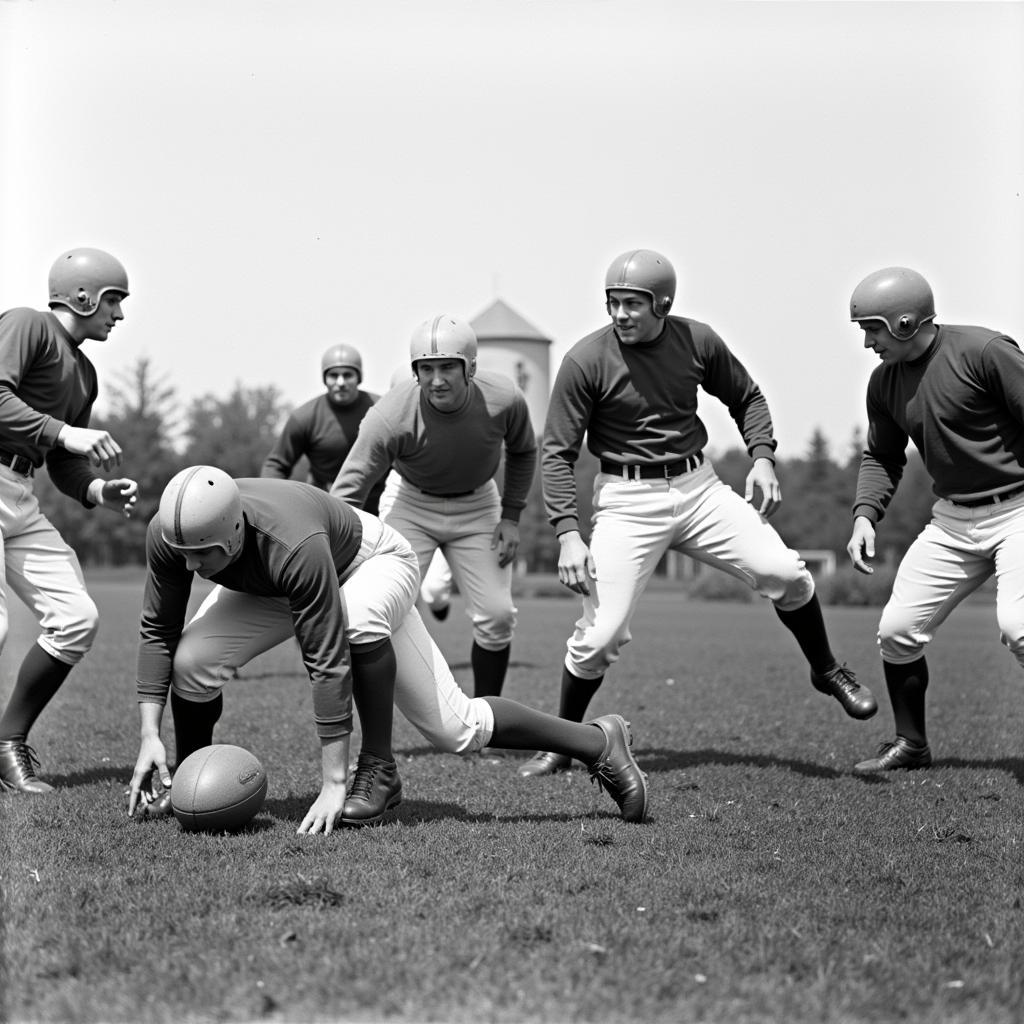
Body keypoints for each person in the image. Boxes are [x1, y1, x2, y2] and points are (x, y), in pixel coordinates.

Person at [126, 467, 648, 832]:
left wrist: (333, 781)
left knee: (455, 727)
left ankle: (594, 742)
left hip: (368, 562)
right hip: (272, 582)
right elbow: (158, 629)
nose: (192, 568)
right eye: (185, 556)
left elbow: (326, 662)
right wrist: (151, 735)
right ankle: (191, 779)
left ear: (234, 529)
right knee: (192, 660)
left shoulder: (293, 544)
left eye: (204, 556)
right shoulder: (173, 533)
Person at [520, 248, 875, 777]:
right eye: (613, 302)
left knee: (787, 574)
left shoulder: (698, 340)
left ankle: (826, 669)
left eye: (633, 304)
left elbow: (747, 397)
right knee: (600, 636)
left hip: (698, 486)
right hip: (626, 499)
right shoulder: (584, 359)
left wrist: (762, 459)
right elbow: (557, 452)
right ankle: (563, 743)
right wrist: (568, 534)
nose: (620, 314)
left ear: (663, 304)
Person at [846, 267, 1024, 771]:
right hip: (953, 519)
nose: (867, 343)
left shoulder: (985, 352)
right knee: (897, 632)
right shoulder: (883, 383)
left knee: (1019, 627)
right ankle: (911, 745)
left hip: (1019, 509)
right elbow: (882, 456)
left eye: (872, 329)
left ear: (905, 322)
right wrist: (865, 516)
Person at [331, 315, 537, 704]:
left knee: (496, 615)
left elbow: (525, 450)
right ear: (415, 372)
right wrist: (330, 554)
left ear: (470, 368)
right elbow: (349, 488)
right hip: (412, 502)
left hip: (478, 504)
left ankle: (490, 720)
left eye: (447, 367)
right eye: (426, 368)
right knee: (374, 606)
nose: (437, 379)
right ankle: (379, 726)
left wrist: (511, 516)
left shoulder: (505, 397)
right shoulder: (389, 415)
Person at [0, 248, 139, 794]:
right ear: (83, 295)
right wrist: (64, 433)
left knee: (77, 617)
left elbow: (62, 462)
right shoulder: (27, 324)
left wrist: (96, 488)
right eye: (114, 300)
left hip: (20, 492)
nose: (119, 315)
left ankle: (8, 742)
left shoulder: (84, 372)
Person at [261, 342, 385, 513]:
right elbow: (276, 465)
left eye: (348, 375)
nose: (340, 382)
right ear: (325, 379)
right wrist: (271, 505)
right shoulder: (304, 417)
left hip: (378, 508)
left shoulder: (382, 410)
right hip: (325, 511)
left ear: (359, 378)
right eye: (333, 375)